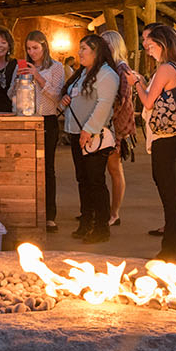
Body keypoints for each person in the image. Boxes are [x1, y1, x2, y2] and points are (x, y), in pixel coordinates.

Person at [133, 23, 176, 263]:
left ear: (163, 44)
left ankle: (169, 252)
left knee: (170, 198)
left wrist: (136, 83)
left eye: (150, 44)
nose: (147, 48)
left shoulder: (165, 68)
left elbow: (148, 102)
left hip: (166, 138)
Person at [58, 33, 120, 245]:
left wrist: (89, 129)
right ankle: (86, 221)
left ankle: (101, 227)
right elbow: (75, 96)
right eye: (80, 48)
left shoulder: (106, 74)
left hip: (93, 136)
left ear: (96, 51)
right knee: (83, 180)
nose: (79, 52)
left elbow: (104, 104)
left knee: (95, 181)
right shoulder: (83, 73)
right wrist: (66, 99)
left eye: (84, 48)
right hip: (78, 133)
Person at [21, 31, 65, 232]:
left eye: (35, 48)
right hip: (26, 119)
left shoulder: (56, 67)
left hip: (47, 119)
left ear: (44, 46)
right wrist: (19, 81)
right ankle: (29, 210)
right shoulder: (23, 66)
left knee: (47, 167)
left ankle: (49, 215)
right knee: (27, 167)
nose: (32, 52)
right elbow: (11, 94)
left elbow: (57, 96)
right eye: (28, 48)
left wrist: (37, 77)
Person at [99, 29, 137, 227]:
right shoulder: (109, 67)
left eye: (106, 44)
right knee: (108, 168)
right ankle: (107, 210)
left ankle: (114, 213)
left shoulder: (121, 68)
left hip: (116, 126)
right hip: (107, 124)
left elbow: (121, 100)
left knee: (114, 168)